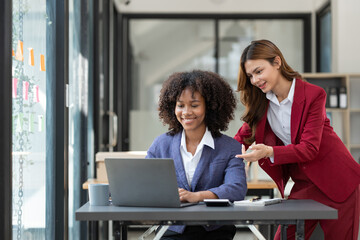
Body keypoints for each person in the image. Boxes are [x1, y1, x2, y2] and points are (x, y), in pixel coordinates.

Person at [234, 39, 360, 240]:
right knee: (283, 237)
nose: (255, 80)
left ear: (277, 62)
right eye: (250, 76)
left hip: (339, 181)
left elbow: (309, 148)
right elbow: (239, 139)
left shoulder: (313, 94)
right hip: (304, 185)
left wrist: (269, 151)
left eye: (259, 71)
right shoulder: (262, 103)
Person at [146, 70, 247, 240]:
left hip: (215, 230)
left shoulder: (230, 147)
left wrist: (197, 196)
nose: (186, 112)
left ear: (210, 107)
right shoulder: (161, 144)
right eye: (180, 105)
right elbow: (145, 183)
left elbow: (236, 188)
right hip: (173, 228)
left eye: (194, 105)